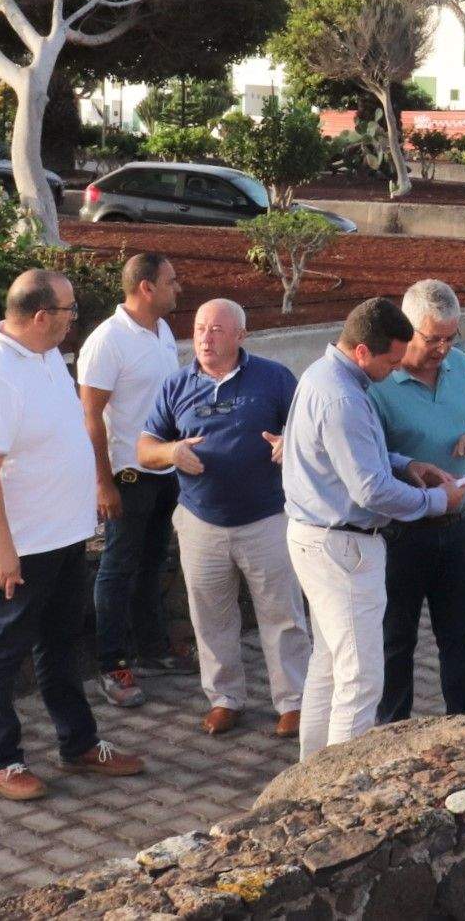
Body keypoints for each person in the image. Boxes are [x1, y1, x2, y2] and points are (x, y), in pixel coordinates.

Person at [0, 268, 147, 801]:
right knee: (1, 655)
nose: (73, 320)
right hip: (22, 548)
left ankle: (79, 744)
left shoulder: (44, 358)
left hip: (64, 536)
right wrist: (1, 550)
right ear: (40, 317)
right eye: (67, 312)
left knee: (60, 647)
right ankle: (3, 760)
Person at [281, 297, 465, 760]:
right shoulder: (343, 396)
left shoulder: (325, 376)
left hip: (317, 538)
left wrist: (409, 464)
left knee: (328, 664)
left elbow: (358, 454)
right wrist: (435, 501)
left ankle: (310, 773)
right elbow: (369, 489)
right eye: (391, 360)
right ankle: (339, 789)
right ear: (363, 351)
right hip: (343, 547)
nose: (394, 370)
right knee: (360, 677)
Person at [137, 298, 310, 739]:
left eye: (216, 329)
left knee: (283, 615)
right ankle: (224, 698)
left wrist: (289, 442)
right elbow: (144, 449)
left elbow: (309, 429)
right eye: (199, 329)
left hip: (266, 519)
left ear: (240, 336)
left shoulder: (273, 378)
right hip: (201, 523)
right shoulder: (176, 385)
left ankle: (293, 702)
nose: (205, 338)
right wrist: (171, 452)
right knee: (210, 617)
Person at [369, 280, 465, 723]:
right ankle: (392, 735)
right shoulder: (378, 382)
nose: (443, 348)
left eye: (451, 337)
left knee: (461, 639)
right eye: (433, 339)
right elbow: (367, 462)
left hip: (458, 526)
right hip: (399, 533)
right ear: (407, 330)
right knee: (395, 642)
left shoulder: (460, 366)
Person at [76, 252, 191, 709]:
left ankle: (155, 650)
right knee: (118, 567)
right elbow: (89, 418)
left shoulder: (161, 330)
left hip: (164, 470)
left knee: (152, 562)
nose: (177, 288)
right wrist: (103, 484)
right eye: (171, 280)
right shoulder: (106, 342)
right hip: (126, 474)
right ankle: (112, 664)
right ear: (146, 287)